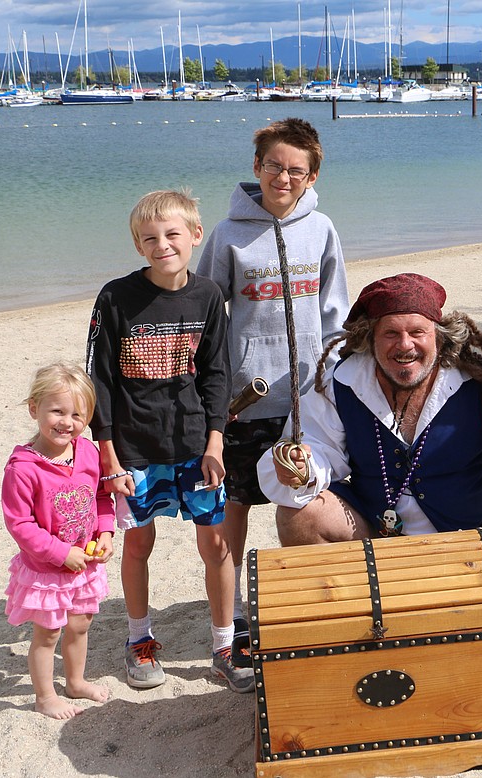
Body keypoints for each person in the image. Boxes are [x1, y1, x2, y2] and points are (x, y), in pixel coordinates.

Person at [85, 190, 254, 693]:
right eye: (149, 238)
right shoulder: (115, 298)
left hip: (196, 443)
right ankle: (140, 640)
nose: (162, 245)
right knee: (138, 544)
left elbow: (217, 374)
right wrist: (108, 454)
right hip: (134, 448)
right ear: (138, 245)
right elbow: (100, 381)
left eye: (172, 234)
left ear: (195, 236)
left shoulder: (206, 297)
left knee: (217, 545)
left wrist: (216, 443)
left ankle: (224, 644)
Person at [196, 117, 349, 631]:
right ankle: (231, 610)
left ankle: (313, 602)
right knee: (234, 505)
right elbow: (206, 309)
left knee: (305, 500)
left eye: (296, 171)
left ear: (312, 178)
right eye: (274, 167)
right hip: (246, 399)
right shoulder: (227, 235)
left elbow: (334, 309)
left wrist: (332, 371)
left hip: (306, 397)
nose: (283, 178)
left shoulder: (322, 229)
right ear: (257, 167)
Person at [258, 273, 482, 544]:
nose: (405, 345)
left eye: (417, 332)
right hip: (375, 533)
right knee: (299, 514)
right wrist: (300, 469)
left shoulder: (478, 382)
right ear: (371, 338)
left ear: (438, 336)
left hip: (461, 537)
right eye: (391, 333)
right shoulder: (343, 383)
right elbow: (316, 446)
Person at [2, 363, 115, 719]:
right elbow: (19, 524)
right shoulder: (23, 468)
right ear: (34, 408)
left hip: (86, 564)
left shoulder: (88, 453)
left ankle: (76, 681)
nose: (67, 422)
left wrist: (106, 532)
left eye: (77, 414)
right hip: (47, 569)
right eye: (57, 411)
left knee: (81, 624)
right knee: (47, 635)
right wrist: (60, 552)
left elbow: (100, 497)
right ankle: (45, 696)